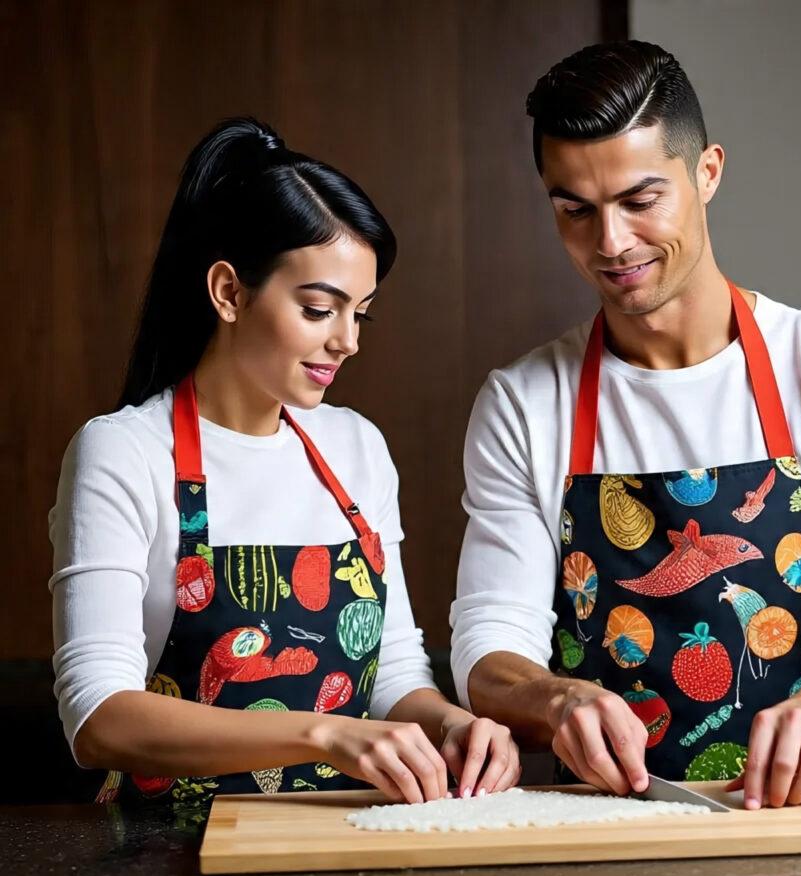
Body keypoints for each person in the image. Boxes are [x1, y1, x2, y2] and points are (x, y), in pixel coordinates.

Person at [449, 41, 801, 809]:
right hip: (602, 834)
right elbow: (488, 644)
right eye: (575, 209)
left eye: (640, 200)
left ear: (707, 172)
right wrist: (556, 700)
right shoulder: (523, 404)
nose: (610, 242)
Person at [49, 117, 519, 808]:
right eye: (320, 309)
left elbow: (392, 671)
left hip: (343, 839)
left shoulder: (356, 446)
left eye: (361, 314)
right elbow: (98, 717)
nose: (347, 341)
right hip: (170, 852)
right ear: (229, 292)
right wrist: (325, 735)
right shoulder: (124, 451)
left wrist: (452, 726)